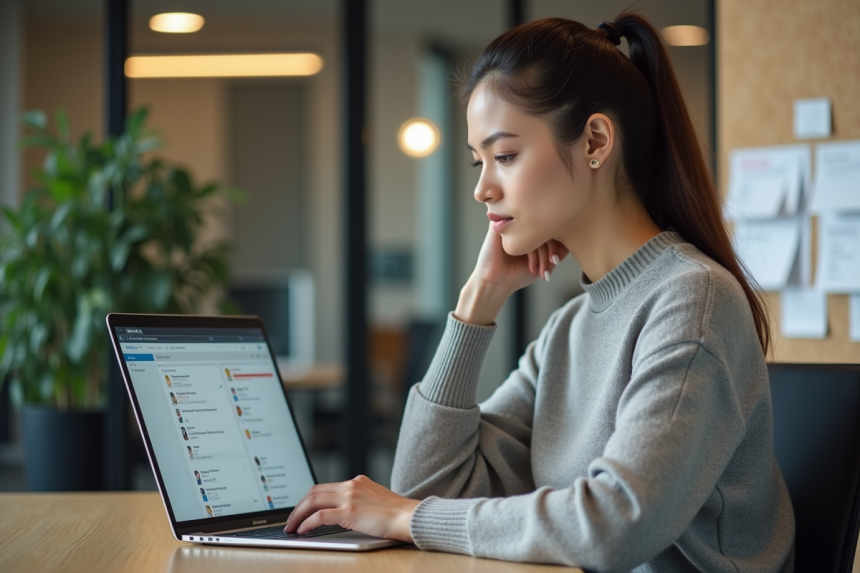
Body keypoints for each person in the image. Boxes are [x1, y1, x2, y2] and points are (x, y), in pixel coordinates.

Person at [282, 12, 795, 572]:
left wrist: (405, 518)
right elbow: (428, 487)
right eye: (478, 162)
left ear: (596, 140)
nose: (482, 188)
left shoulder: (693, 301)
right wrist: (477, 301)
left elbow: (615, 524)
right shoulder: (569, 330)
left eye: (504, 156)